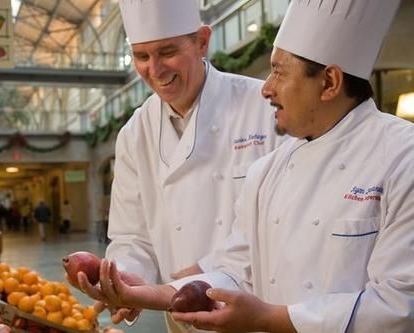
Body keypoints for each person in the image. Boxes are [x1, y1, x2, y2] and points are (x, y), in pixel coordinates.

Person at [77, 0, 414, 332]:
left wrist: (267, 319)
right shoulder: (270, 169)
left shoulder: (402, 156)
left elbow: (401, 306)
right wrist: (142, 292)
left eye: (279, 72)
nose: (266, 88)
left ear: (329, 83)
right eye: (141, 55)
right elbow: (237, 266)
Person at [90, 0, 286, 329]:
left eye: (167, 52)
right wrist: (126, 278)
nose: (155, 70)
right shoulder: (134, 134)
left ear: (202, 42)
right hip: (182, 319)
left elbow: (284, 222)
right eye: (141, 56)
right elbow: (131, 236)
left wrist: (208, 270)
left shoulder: (265, 109)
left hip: (260, 313)